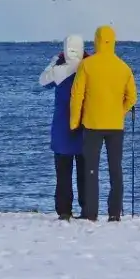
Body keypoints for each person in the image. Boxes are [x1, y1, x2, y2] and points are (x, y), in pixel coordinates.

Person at [69, 24, 137, 221]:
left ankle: (90, 213)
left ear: (96, 40)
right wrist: (119, 111)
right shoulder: (123, 67)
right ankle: (115, 214)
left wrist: (75, 122)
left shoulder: (87, 65)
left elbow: (77, 96)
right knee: (116, 169)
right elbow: (132, 97)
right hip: (116, 125)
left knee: (91, 169)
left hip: (92, 125)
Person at [39, 35, 87, 220]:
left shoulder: (59, 71)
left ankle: (64, 211)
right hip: (84, 128)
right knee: (85, 173)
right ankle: (87, 207)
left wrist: (53, 61)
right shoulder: (87, 67)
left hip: (61, 129)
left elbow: (43, 81)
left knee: (63, 175)